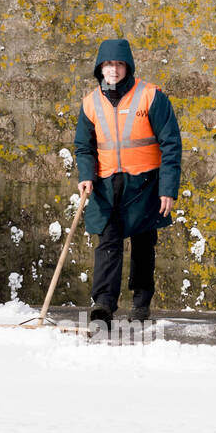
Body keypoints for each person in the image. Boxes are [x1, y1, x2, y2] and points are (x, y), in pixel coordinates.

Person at [74, 37, 182, 328]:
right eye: (108, 64)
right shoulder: (90, 103)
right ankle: (103, 305)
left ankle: (141, 302)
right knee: (107, 241)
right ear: (100, 67)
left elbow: (171, 143)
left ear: (128, 66)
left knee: (144, 243)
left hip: (145, 183)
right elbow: (84, 147)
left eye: (119, 64)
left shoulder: (150, 96)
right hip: (106, 185)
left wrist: (167, 189)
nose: (113, 69)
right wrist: (86, 175)